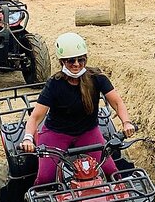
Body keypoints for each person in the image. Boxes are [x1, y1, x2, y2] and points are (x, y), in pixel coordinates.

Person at [20, 32, 136, 185]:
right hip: (56, 134)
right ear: (62, 62)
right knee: (45, 179)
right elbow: (35, 117)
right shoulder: (54, 84)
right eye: (71, 61)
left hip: (87, 132)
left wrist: (126, 122)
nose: (76, 64)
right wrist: (28, 137)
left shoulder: (97, 78)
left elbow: (117, 102)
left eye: (81, 59)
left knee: (111, 172)